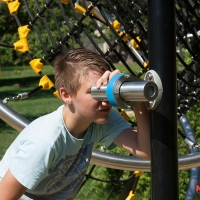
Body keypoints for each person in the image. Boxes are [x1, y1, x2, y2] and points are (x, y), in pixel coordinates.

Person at [0, 48, 150, 200]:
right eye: (96, 92)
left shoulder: (100, 118)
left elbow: (147, 152)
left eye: (107, 90)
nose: (105, 100)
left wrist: (135, 98)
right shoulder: (45, 142)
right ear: (66, 95)